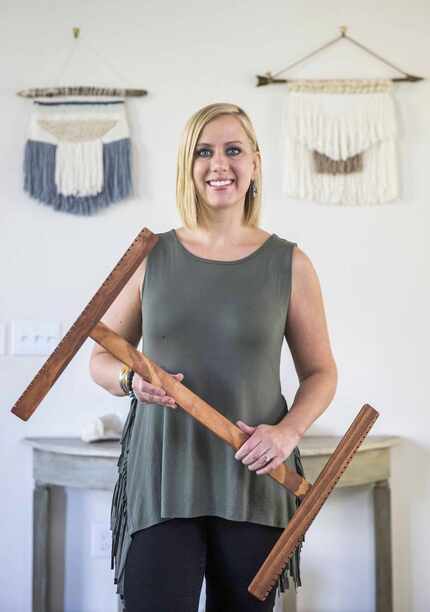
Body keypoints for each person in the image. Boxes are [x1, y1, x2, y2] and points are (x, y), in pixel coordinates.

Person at [89, 102, 338, 612]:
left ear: (256, 162)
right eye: (204, 152)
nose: (218, 164)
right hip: (160, 479)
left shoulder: (289, 262)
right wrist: (130, 384)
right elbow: (100, 355)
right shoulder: (149, 255)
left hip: (254, 477)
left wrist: (287, 432)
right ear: (188, 164)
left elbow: (321, 372)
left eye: (233, 150)